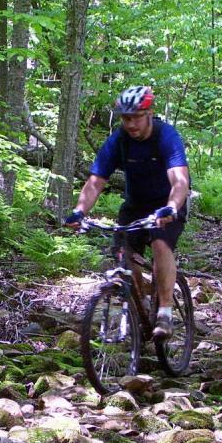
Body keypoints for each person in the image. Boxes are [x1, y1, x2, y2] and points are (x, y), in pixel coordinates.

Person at [64, 85, 191, 340]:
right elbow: (95, 182)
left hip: (167, 204)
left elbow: (179, 182)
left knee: (159, 244)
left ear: (149, 114)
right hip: (134, 206)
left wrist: (172, 207)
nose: (130, 123)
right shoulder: (118, 141)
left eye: (135, 117)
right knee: (124, 255)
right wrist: (79, 211)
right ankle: (139, 307)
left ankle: (165, 312)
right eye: (125, 118)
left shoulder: (166, 136)